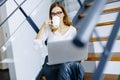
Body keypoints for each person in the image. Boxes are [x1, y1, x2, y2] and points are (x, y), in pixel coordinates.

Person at [35, 2, 85, 80]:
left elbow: (77, 49)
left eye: (59, 12)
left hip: (68, 62)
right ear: (51, 16)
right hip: (53, 65)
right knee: (65, 67)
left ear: (63, 14)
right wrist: (43, 26)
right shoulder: (48, 30)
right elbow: (36, 45)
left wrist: (80, 56)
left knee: (68, 66)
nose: (56, 15)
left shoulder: (72, 30)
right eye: (53, 14)